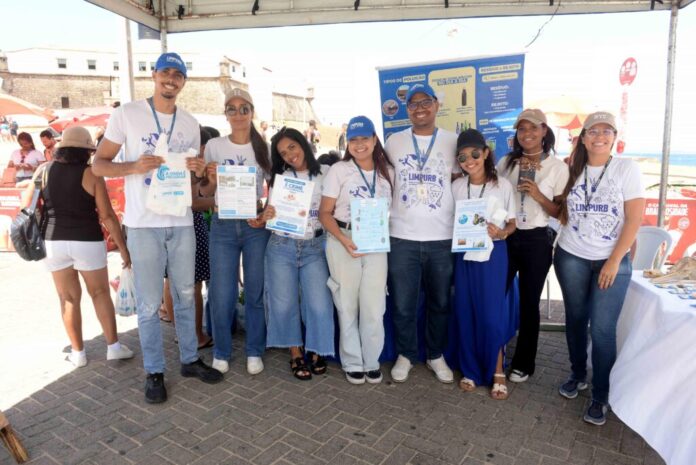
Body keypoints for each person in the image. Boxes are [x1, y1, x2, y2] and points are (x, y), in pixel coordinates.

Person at [93, 52, 223, 404]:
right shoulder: (127, 114)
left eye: (178, 74)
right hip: (143, 226)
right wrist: (133, 166)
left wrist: (199, 170)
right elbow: (98, 165)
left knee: (184, 296)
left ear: (183, 82)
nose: (171, 78)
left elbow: (193, 181)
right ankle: (154, 371)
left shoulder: (190, 123)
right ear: (154, 75)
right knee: (150, 305)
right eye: (166, 71)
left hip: (181, 223)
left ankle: (190, 359)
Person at [554, 111, 645, 426]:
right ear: (583, 137)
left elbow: (635, 218)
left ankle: (600, 395)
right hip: (571, 256)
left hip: (612, 261)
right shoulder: (571, 169)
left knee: (603, 329)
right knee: (576, 320)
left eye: (607, 131)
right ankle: (578, 374)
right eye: (594, 131)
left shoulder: (625, 168)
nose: (600, 137)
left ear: (614, 137)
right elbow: (560, 209)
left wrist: (614, 259)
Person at [22, 127, 134, 367]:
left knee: (68, 298)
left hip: (53, 242)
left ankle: (78, 353)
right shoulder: (91, 174)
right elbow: (106, 215)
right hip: (87, 240)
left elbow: (26, 204)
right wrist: (123, 249)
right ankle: (113, 347)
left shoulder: (43, 171)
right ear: (86, 152)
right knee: (100, 293)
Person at [384, 83, 459, 384]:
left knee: (440, 302)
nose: (419, 108)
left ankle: (436, 354)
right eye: (413, 104)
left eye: (425, 102)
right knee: (403, 303)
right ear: (407, 110)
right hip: (401, 236)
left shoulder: (453, 141)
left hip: (442, 237)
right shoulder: (394, 141)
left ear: (437, 105)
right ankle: (406, 354)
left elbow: (466, 180)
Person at [200, 87, 271, 376]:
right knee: (221, 292)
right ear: (225, 114)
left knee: (255, 291)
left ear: (252, 112)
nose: (239, 114)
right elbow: (205, 190)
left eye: (245, 108)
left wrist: (267, 212)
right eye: (232, 108)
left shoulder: (263, 147)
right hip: (223, 225)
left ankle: (255, 350)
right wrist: (212, 179)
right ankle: (222, 351)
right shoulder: (214, 146)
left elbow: (276, 185)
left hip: (255, 225)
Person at [496, 109, 569, 383]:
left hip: (537, 239)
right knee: (495, 295)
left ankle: (524, 362)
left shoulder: (557, 167)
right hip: (506, 236)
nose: (527, 134)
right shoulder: (506, 162)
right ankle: (494, 352)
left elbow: (560, 213)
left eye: (533, 128)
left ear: (544, 132)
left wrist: (538, 195)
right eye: (521, 129)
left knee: (529, 303)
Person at [320, 116, 394, 384]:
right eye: (354, 139)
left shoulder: (388, 172)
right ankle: (352, 361)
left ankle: (371, 359)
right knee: (347, 303)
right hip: (344, 237)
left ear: (375, 140)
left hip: (375, 241)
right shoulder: (339, 170)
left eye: (365, 138)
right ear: (347, 143)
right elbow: (324, 213)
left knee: (374, 305)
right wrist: (342, 238)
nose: (360, 144)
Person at [260, 127, 335, 380]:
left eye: (292, 146)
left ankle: (316, 348)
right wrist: (266, 215)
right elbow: (270, 212)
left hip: (315, 247)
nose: (289, 154)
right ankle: (295, 351)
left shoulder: (326, 173)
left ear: (303, 144)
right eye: (283, 152)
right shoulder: (280, 177)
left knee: (320, 303)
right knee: (284, 304)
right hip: (282, 246)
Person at [451, 129, 517, 400]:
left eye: (475, 154)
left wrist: (500, 233)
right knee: (466, 312)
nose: (470, 160)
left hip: (494, 255)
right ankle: (471, 370)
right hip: (464, 255)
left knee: (491, 316)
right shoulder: (456, 187)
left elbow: (512, 223)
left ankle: (498, 369)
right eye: (463, 156)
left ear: (486, 153)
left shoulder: (502, 185)